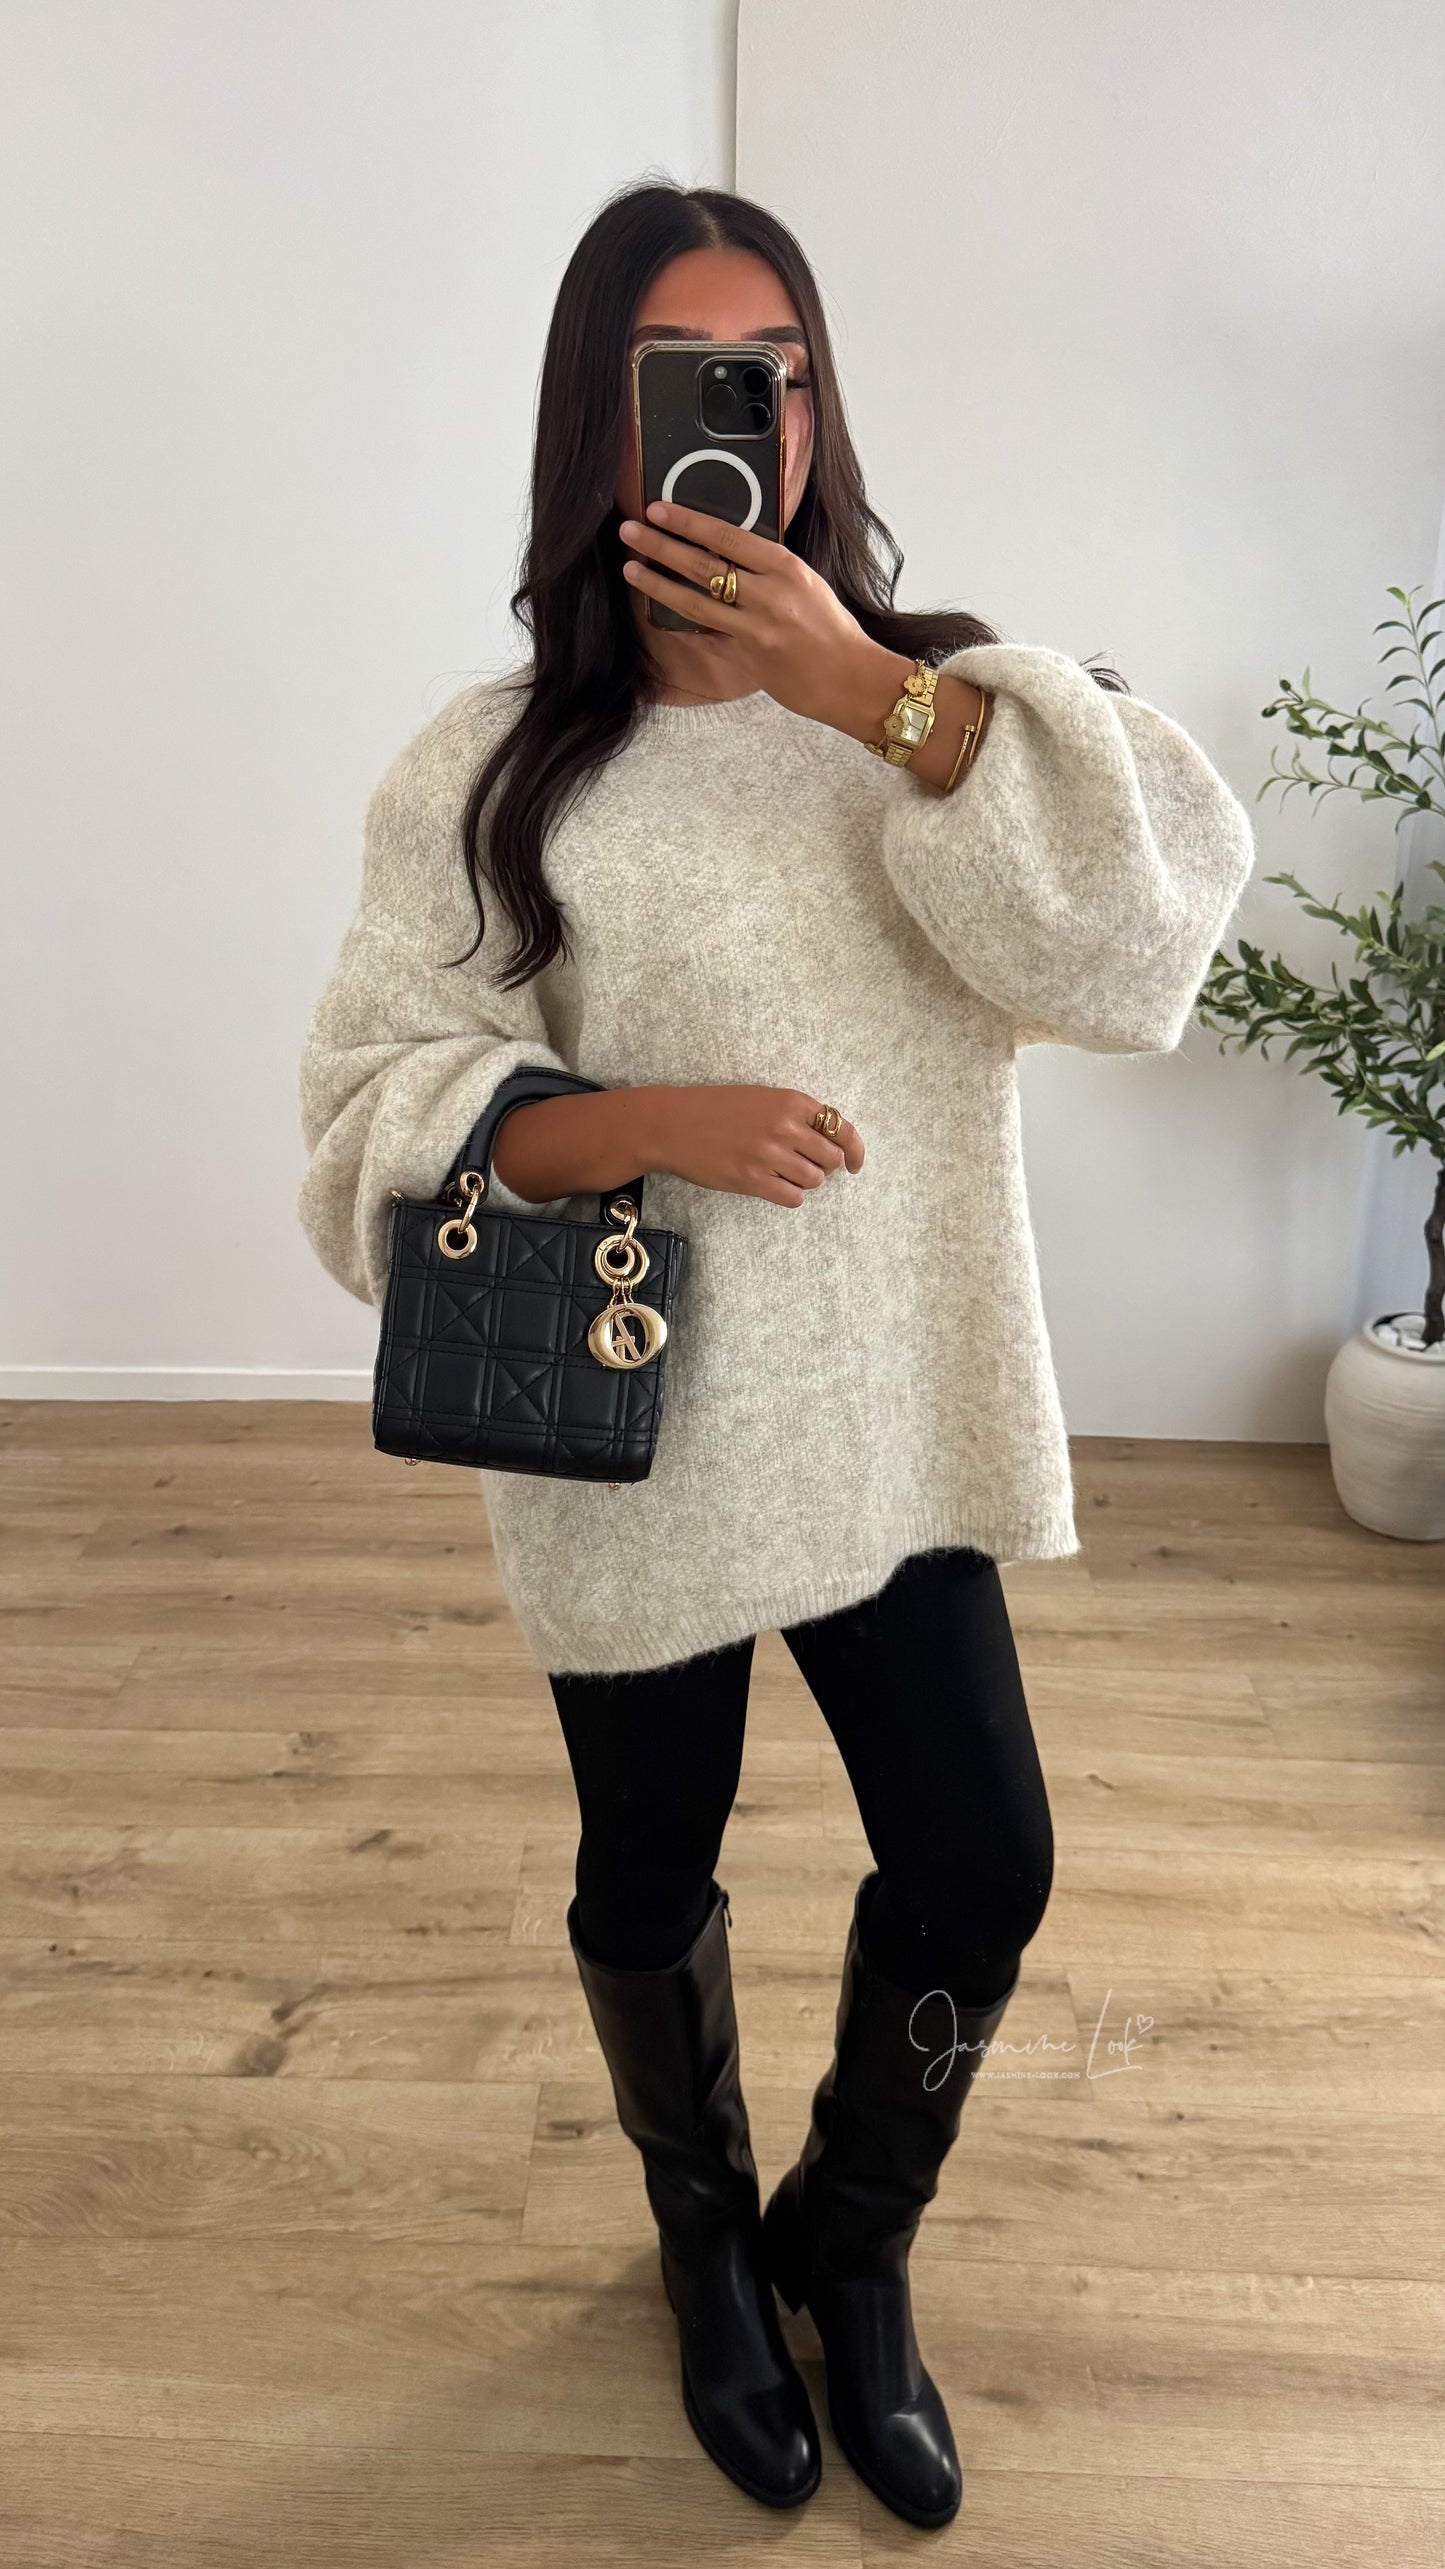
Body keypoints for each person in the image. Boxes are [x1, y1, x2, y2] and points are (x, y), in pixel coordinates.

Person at [297, 181, 1255, 2529]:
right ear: (603, 419)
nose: (760, 420)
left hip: (892, 1414)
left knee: (986, 1863)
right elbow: (366, 1123)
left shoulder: (952, 712)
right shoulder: (496, 764)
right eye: (698, 374)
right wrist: (643, 1121)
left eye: (787, 370)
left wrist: (873, 697)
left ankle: (854, 2230)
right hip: (633, 1433)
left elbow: (1139, 953)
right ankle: (703, 2240)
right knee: (650, 1871)